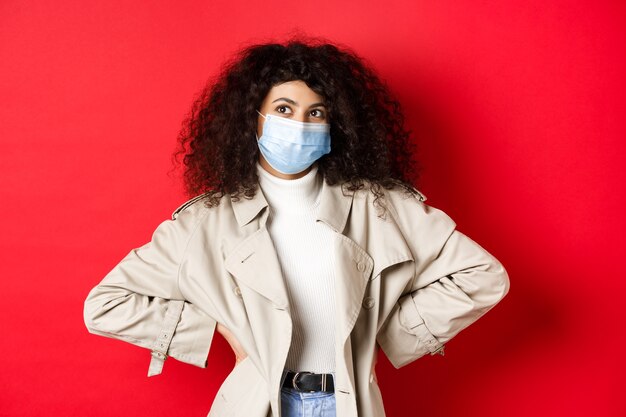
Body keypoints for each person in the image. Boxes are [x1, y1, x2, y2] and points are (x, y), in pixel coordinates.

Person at [84, 38, 510, 417]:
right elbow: (105, 304)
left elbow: (484, 276)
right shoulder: (206, 221)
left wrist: (386, 337)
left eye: (316, 112)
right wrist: (217, 329)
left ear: (335, 126)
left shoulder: (382, 207)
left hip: (350, 403)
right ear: (254, 120)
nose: (300, 125)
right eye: (284, 109)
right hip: (255, 405)